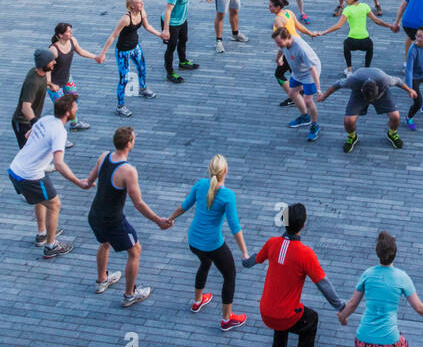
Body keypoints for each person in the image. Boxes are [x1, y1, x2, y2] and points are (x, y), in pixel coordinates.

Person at [242, 202, 346, 347]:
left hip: (266, 311)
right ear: (304, 225)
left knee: (282, 320)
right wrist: (341, 305)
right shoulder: (304, 253)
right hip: (285, 314)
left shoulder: (272, 243)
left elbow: (253, 260)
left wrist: (244, 262)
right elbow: (323, 284)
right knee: (311, 320)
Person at [84, 125, 173, 306]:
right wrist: (158, 221)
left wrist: (82, 183)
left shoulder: (104, 156)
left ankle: (102, 280)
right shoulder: (128, 171)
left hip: (94, 215)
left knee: (104, 243)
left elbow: (89, 180)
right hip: (113, 221)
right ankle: (129, 294)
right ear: (129, 144)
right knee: (135, 251)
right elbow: (138, 203)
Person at [166, 154, 250, 329]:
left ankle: (198, 301)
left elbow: (184, 205)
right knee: (229, 274)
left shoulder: (200, 185)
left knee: (205, 262)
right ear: (226, 171)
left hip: (194, 241)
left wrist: (171, 218)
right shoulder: (227, 195)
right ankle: (227, 320)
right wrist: (244, 252)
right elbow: (235, 227)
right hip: (212, 244)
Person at [7, 93, 87, 257]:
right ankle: (51, 246)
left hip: (15, 168)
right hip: (30, 176)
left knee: (42, 199)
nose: (77, 108)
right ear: (67, 113)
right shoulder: (59, 131)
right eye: (74, 107)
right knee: (54, 204)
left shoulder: (45, 120)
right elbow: (59, 164)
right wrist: (78, 182)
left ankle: (42, 234)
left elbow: (29, 134)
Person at [317, 65, 412, 153]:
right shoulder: (353, 80)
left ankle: (392, 133)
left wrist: (410, 90)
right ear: (362, 90)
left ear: (378, 88)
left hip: (381, 95)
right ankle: (352, 137)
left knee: (395, 116)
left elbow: (399, 81)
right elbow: (337, 84)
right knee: (348, 121)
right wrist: (324, 96)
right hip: (359, 96)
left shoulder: (384, 79)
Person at [98, 0, 162, 117]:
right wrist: (103, 53)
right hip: (123, 51)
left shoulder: (142, 12)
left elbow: (147, 26)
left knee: (142, 68)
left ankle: (142, 89)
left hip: (135, 46)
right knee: (124, 79)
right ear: (132, 5)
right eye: (139, 2)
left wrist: (160, 35)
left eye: (142, 1)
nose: (142, 4)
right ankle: (120, 106)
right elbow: (113, 36)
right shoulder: (126, 19)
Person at [312, 0, 394, 72]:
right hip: (365, 42)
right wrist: (389, 26)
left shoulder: (347, 10)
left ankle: (349, 70)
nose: (344, 0)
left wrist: (323, 32)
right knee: (370, 46)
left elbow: (338, 26)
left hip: (352, 42)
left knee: (346, 44)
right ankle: (367, 69)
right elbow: (376, 20)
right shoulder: (365, 6)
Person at [162, 0, 210, 83]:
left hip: (182, 20)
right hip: (171, 23)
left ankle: (183, 62)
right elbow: (168, 10)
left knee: (183, 40)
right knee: (171, 47)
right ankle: (170, 73)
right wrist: (166, 29)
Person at [273, 28, 322, 141]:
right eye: (276, 42)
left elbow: (313, 69)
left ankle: (315, 126)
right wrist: (278, 59)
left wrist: (318, 89)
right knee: (292, 93)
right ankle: (305, 117)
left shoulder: (301, 49)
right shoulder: (283, 43)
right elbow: (281, 48)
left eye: (279, 42)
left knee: (308, 100)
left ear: (287, 38)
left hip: (309, 73)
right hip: (297, 71)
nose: (277, 44)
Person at [12, 49, 56, 150]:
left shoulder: (39, 72)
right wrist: (36, 123)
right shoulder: (33, 82)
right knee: (27, 153)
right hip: (23, 123)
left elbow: (42, 81)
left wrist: (50, 85)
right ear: (44, 63)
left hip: (30, 122)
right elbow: (25, 107)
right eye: (51, 60)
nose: (55, 62)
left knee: (35, 151)